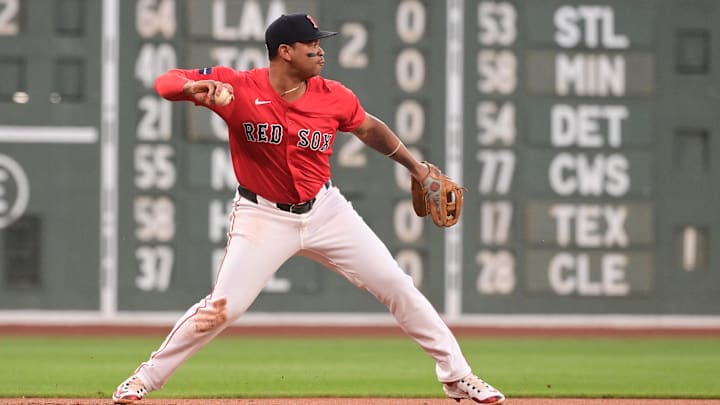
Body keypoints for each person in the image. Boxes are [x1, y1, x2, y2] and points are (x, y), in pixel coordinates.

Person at [112, 13, 505, 405]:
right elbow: (165, 82)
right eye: (311, 45)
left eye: (320, 44)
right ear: (285, 52)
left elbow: (368, 128)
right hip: (262, 215)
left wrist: (417, 168)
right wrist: (195, 86)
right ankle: (142, 380)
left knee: (396, 285)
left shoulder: (333, 94)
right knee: (222, 308)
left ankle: (458, 377)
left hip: (325, 210)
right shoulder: (239, 86)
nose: (320, 52)